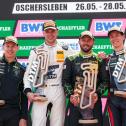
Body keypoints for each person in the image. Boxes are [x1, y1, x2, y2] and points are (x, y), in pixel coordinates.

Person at [23, 20, 72, 126]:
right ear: (43, 33)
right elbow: (28, 75)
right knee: (38, 123)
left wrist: (100, 57)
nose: (50, 34)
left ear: (57, 32)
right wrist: (28, 91)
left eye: (52, 31)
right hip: (41, 90)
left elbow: (78, 61)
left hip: (59, 89)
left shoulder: (65, 49)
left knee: (58, 123)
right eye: (47, 31)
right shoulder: (36, 51)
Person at [62, 31, 109, 126]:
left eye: (89, 40)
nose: (86, 43)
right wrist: (71, 95)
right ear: (79, 41)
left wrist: (97, 94)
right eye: (83, 40)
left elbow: (105, 81)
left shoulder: (99, 59)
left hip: (94, 102)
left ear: (93, 42)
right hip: (75, 102)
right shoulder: (70, 59)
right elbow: (65, 81)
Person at [0, 36, 28, 126]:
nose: (10, 49)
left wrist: (23, 117)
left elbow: (24, 96)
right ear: (3, 47)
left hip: (13, 113)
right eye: (7, 46)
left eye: (13, 46)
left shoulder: (22, 69)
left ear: (17, 48)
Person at [107, 26, 126, 126]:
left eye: (117, 35)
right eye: (111, 36)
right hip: (113, 100)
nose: (114, 39)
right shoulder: (109, 58)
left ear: (123, 37)